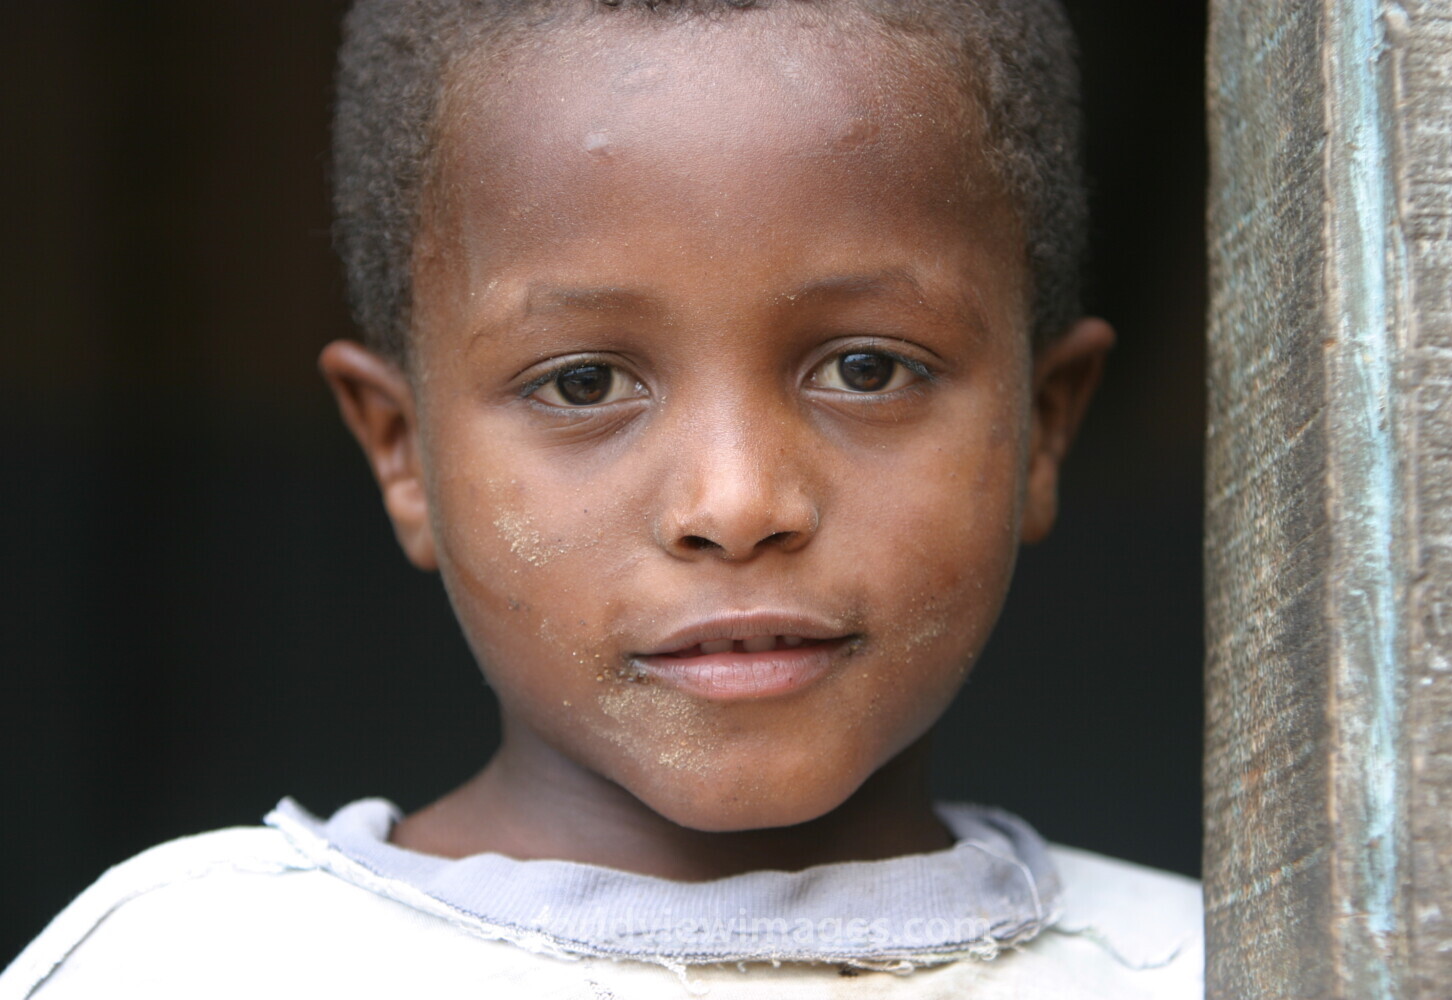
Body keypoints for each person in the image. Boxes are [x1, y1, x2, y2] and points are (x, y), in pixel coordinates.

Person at [1, 0, 1202, 996]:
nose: (735, 503)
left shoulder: (1220, 962)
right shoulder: (197, 969)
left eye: (867, 368)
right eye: (584, 381)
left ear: (1043, 425)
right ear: (400, 450)